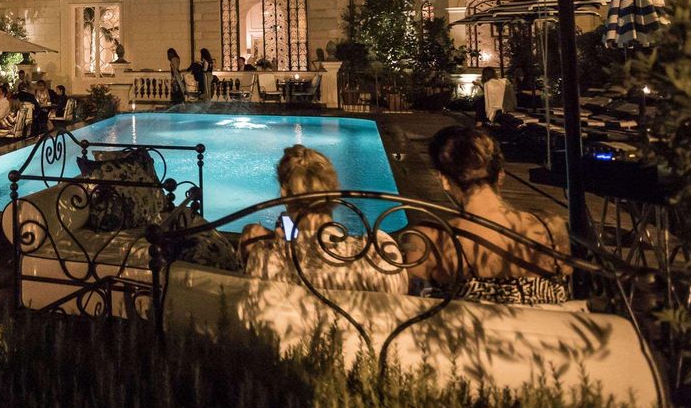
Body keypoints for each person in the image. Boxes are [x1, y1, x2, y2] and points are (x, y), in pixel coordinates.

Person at [409, 127, 570, 305]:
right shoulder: (551, 226)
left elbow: (411, 307)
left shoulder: (431, 239)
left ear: (444, 180)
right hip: (545, 330)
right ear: (500, 175)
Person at [239, 146, 408, 294]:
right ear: (333, 190)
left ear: (284, 194)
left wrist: (282, 242)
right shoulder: (381, 256)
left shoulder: (266, 264)